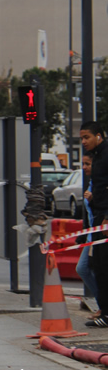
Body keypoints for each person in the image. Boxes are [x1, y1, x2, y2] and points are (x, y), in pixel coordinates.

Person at [80, 122, 108, 327]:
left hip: (105, 219)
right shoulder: (97, 157)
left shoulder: (106, 155)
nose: (83, 142)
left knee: (103, 265)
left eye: (86, 137)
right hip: (98, 218)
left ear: (99, 136)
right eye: (81, 138)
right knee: (98, 265)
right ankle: (105, 311)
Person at [75, 154, 99, 315]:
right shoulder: (92, 182)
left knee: (96, 269)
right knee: (83, 268)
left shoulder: (101, 183)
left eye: (87, 164)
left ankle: (103, 305)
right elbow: (88, 213)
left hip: (100, 235)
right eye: (83, 164)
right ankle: (102, 302)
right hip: (91, 235)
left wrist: (93, 199)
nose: (84, 167)